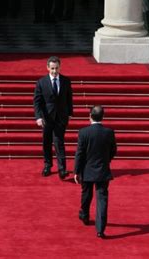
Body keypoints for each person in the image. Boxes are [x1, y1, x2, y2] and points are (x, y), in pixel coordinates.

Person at [74, 105, 117, 239]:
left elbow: (79, 154)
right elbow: (113, 150)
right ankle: (100, 229)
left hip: (87, 170)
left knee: (86, 194)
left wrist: (76, 171)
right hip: (103, 170)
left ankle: (85, 214)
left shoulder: (83, 132)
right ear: (102, 116)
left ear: (90, 116)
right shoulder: (109, 132)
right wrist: (106, 160)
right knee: (102, 199)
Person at [33, 56, 73, 179]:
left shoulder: (66, 81)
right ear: (47, 68)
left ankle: (62, 169)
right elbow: (37, 102)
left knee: (59, 142)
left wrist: (69, 114)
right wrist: (38, 117)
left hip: (61, 118)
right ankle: (47, 165)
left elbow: (69, 98)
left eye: (56, 68)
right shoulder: (41, 82)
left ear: (60, 67)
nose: (54, 71)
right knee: (47, 142)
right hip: (46, 118)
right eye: (52, 68)